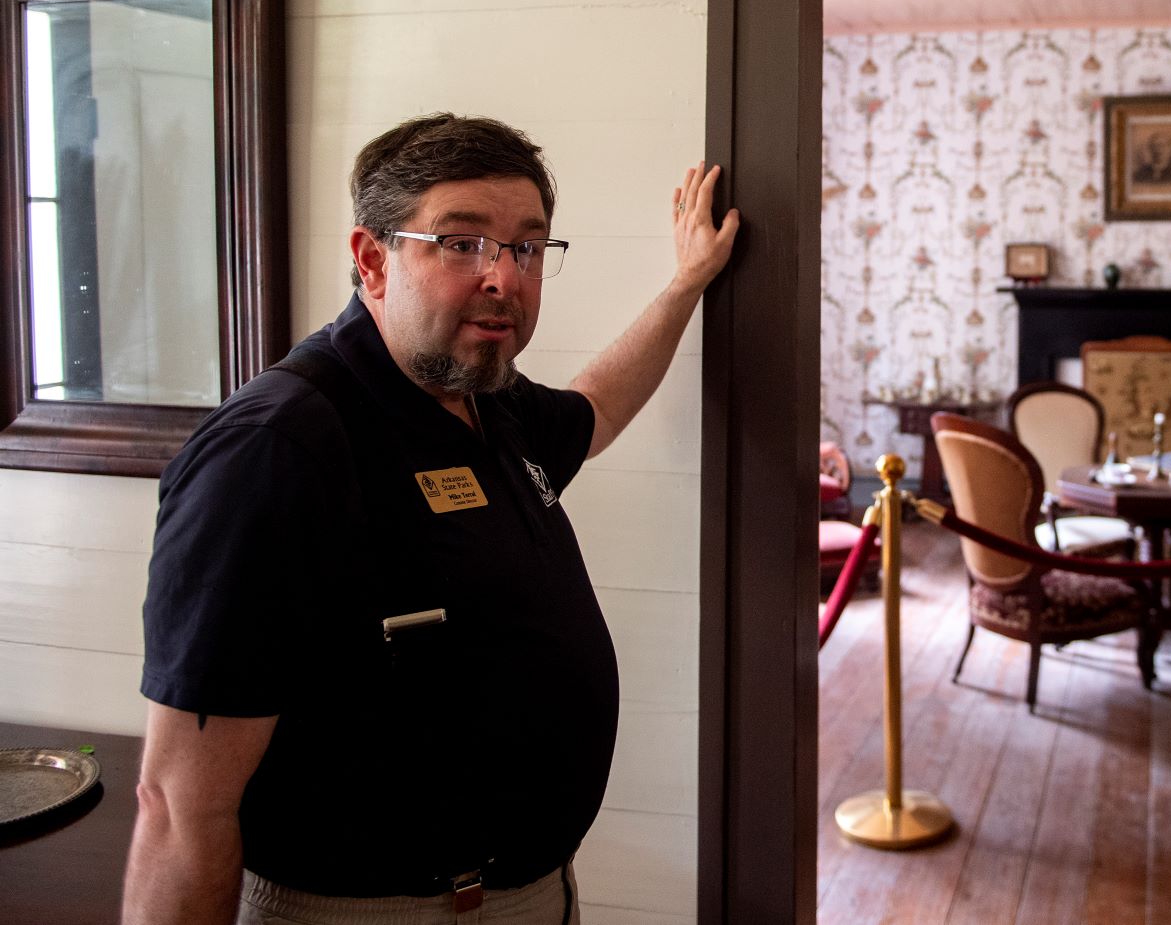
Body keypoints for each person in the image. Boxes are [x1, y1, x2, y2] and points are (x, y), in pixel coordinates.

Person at [121, 113, 739, 925]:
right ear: (373, 259)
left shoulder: (485, 398)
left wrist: (686, 283)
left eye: (526, 246)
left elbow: (596, 409)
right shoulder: (277, 447)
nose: (503, 277)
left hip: (530, 895)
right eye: (461, 241)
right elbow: (177, 806)